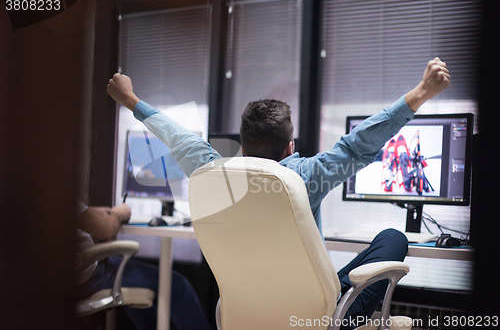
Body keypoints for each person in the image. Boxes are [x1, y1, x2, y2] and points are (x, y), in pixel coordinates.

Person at [107, 57, 450, 328]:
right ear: (290, 146)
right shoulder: (304, 177)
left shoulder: (214, 175)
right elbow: (357, 145)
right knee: (392, 238)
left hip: (245, 312)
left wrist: (131, 99)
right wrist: (420, 93)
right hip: (315, 318)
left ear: (242, 144)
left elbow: (177, 137)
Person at [75, 200, 212, 330]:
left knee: (141, 296)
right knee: (177, 286)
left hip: (65, 284)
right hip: (89, 278)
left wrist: (93, 212)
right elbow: (107, 229)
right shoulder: (61, 191)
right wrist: (118, 214)